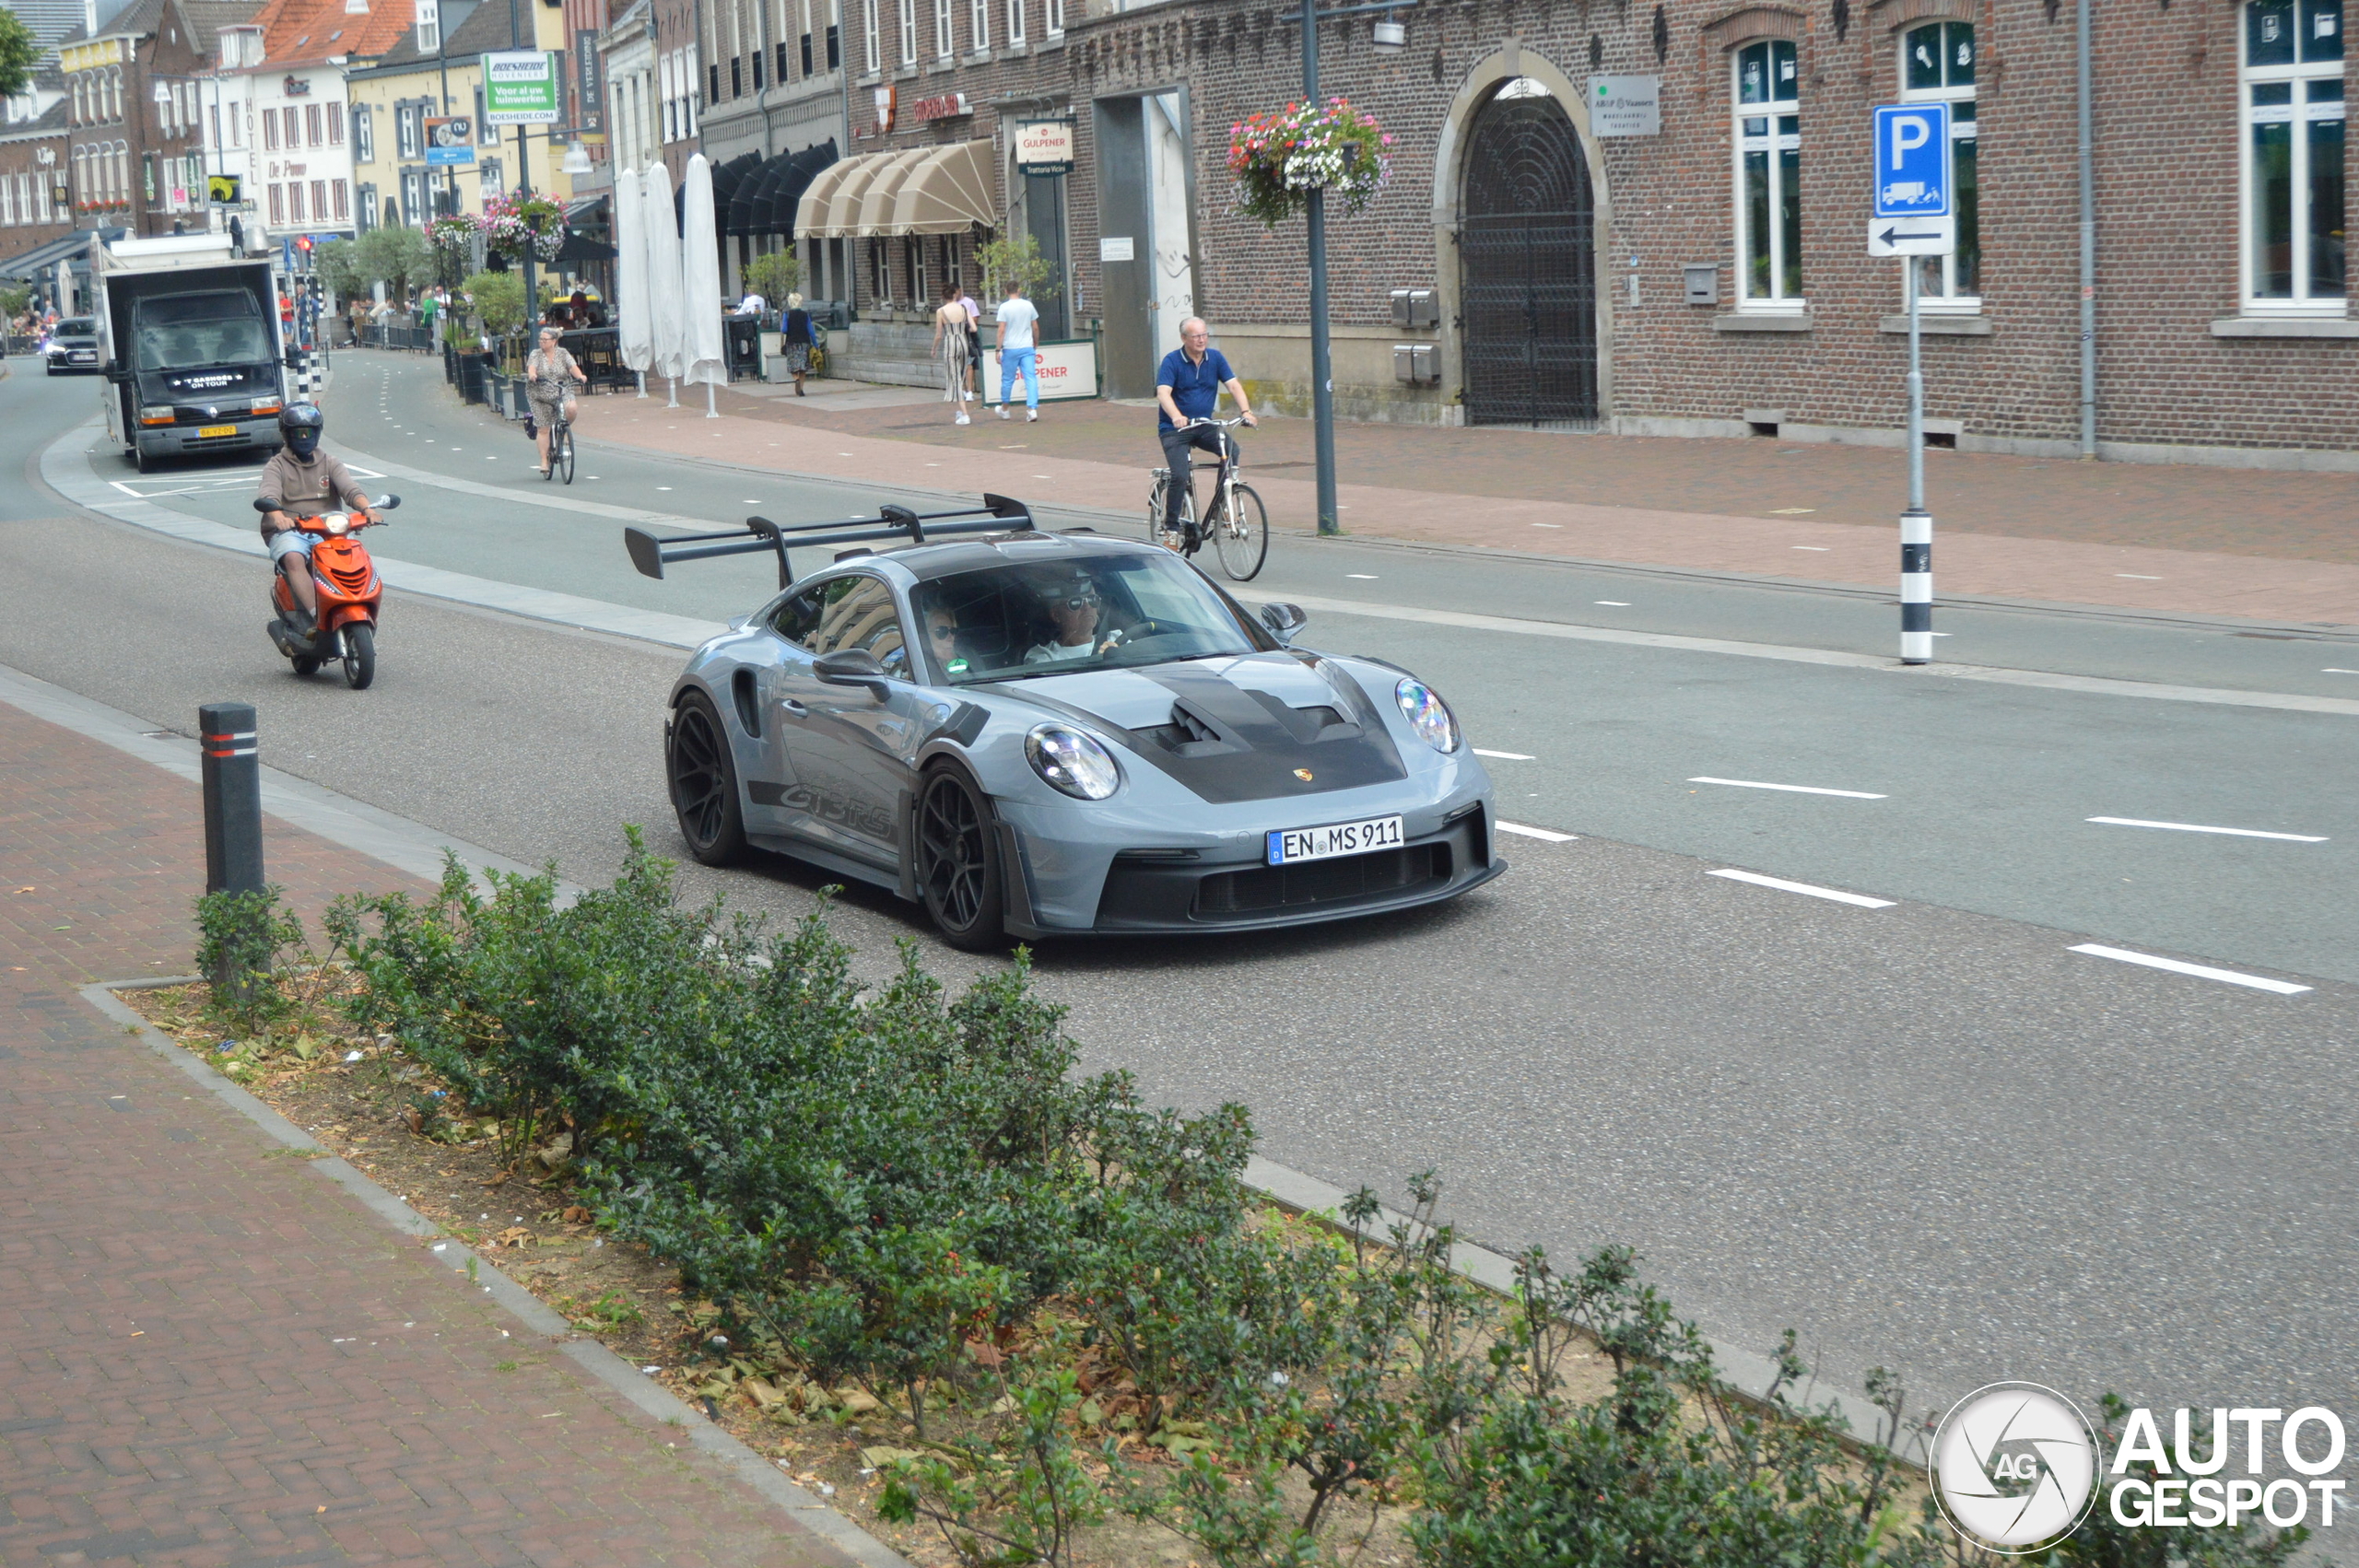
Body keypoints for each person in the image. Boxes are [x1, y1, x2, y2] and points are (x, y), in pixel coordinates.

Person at [256, 404, 375, 631]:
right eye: (298, 432)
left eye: (309, 432)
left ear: (317, 433)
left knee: (352, 557)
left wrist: (367, 509)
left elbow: (350, 489)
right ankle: (315, 617)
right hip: (290, 530)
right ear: (286, 434)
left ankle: (355, 602)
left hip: (328, 529)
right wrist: (278, 515)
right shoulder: (276, 465)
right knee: (293, 557)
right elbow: (268, 494)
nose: (304, 437)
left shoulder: (330, 462)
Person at [1155, 317, 1257, 548]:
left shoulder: (1215, 358)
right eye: (1196, 336)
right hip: (1175, 430)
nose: (1201, 340)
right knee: (1180, 475)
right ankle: (1171, 527)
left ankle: (1224, 503)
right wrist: (1176, 416)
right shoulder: (1172, 361)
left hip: (1203, 425)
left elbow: (1233, 385)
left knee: (1231, 450)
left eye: (1204, 335)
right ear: (1184, 339)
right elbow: (1163, 393)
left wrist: (1246, 411)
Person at [525, 324, 588, 476]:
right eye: (540, 339)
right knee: (544, 428)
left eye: (545, 340)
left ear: (554, 341)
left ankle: (563, 429)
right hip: (540, 393)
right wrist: (532, 375)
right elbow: (531, 368)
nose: (542, 342)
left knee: (572, 408)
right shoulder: (536, 354)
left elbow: (572, 367)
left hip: (561, 390)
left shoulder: (563, 353)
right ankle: (544, 461)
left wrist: (580, 376)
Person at [1022, 577, 1120, 665]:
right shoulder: (1044, 657)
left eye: (1092, 600)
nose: (1087, 607)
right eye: (1075, 602)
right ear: (1056, 615)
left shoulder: (1117, 639)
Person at [993, 278, 1040, 423]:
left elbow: (1001, 330)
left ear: (1006, 291)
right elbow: (1035, 326)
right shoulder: (1028, 305)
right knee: (1030, 377)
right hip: (1027, 346)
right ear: (1019, 290)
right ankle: (1032, 410)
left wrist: (997, 349)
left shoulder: (1004, 307)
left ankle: (1005, 409)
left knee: (1007, 379)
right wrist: (1036, 342)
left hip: (1010, 347)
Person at [931, 281, 973, 426]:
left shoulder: (941, 312)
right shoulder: (963, 308)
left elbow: (938, 335)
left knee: (955, 378)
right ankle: (962, 411)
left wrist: (934, 348)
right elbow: (973, 328)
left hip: (951, 344)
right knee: (960, 375)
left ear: (944, 296)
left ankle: (965, 414)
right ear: (954, 295)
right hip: (963, 342)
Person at [781, 292, 815, 397]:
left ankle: (796, 379)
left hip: (792, 343)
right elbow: (811, 331)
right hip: (804, 342)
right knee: (803, 368)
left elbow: (784, 329)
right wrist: (816, 344)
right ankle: (801, 388)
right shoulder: (805, 315)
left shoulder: (787, 314)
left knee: (793, 367)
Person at [957, 279, 983, 401]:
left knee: (968, 364)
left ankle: (970, 391)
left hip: (967, 337)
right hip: (956, 337)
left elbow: (975, 321)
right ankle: (961, 389)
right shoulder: (949, 306)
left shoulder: (968, 303)